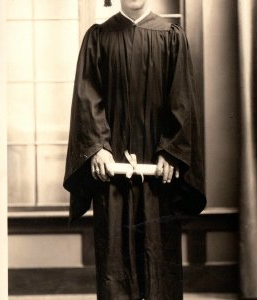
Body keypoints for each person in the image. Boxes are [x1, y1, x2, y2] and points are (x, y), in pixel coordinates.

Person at [64, 0, 206, 299]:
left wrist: (171, 151)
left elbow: (183, 100)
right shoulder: (99, 37)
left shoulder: (171, 35)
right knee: (115, 259)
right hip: (111, 169)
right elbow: (87, 98)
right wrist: (97, 147)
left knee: (159, 256)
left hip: (158, 170)